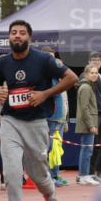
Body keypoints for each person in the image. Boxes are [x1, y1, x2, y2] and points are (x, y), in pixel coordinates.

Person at [0, 20, 77, 201]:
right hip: (10, 121)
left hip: (36, 122)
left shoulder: (44, 59)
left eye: (22, 33)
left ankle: (49, 194)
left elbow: (72, 78)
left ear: (30, 38)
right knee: (12, 173)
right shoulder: (2, 63)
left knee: (38, 172)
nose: (17, 36)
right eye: (14, 33)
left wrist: (45, 94)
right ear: (9, 37)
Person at [43, 48, 69, 187]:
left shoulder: (58, 76)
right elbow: (53, 93)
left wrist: (65, 119)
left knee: (57, 149)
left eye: (54, 58)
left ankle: (55, 175)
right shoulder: (47, 76)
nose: (52, 61)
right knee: (49, 147)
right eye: (49, 58)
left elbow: (64, 100)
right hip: (51, 116)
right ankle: (47, 177)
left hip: (60, 117)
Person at [75, 63, 101, 185]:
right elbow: (84, 108)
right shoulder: (85, 88)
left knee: (86, 150)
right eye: (92, 72)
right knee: (86, 150)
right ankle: (83, 175)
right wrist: (91, 125)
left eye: (96, 73)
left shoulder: (89, 86)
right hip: (87, 124)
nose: (95, 75)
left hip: (88, 123)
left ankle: (84, 174)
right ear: (86, 74)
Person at [85, 50, 101, 179]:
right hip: (93, 114)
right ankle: (88, 173)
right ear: (89, 62)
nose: (96, 62)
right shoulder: (86, 76)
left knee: (98, 145)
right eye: (93, 60)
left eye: (98, 60)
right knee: (91, 146)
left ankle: (94, 172)